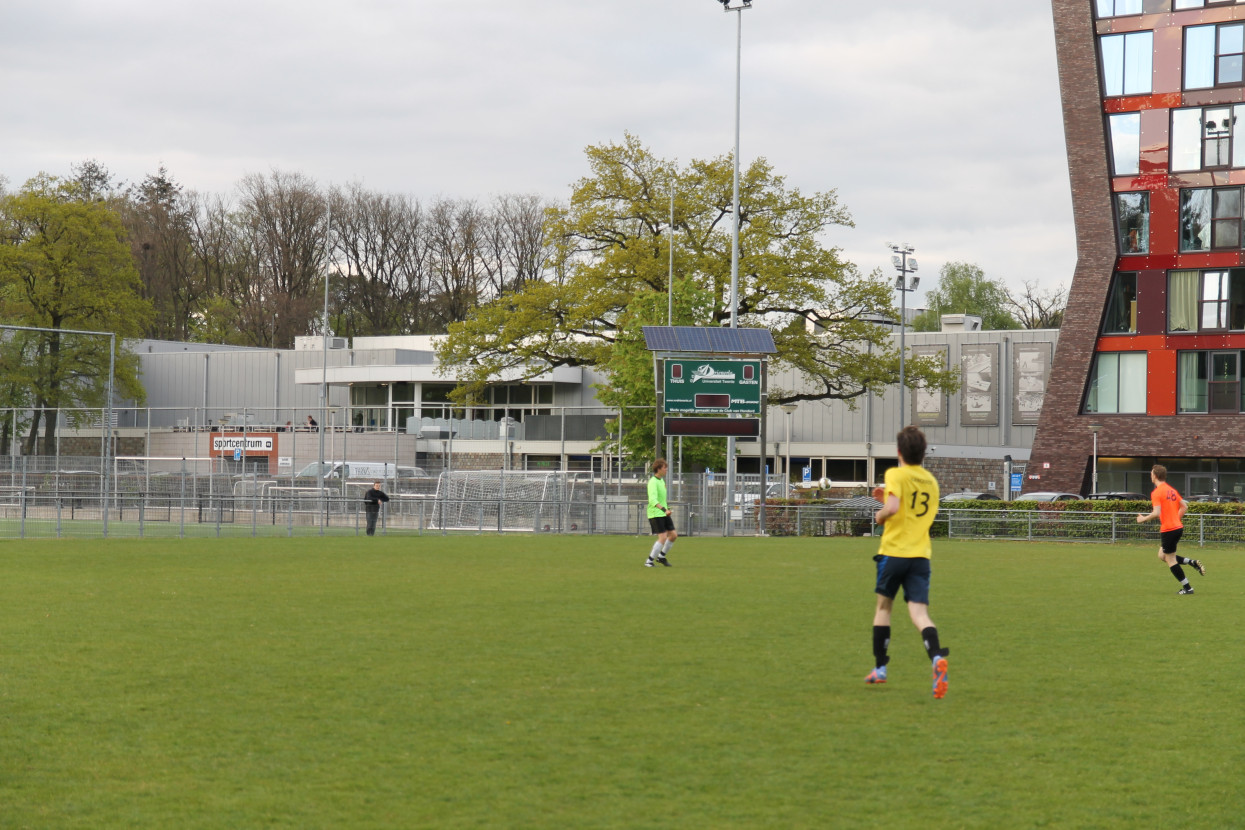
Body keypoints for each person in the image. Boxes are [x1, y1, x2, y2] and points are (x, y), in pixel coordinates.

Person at [865, 426, 950, 698]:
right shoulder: (931, 482)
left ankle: (880, 669)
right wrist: (888, 499)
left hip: (894, 552)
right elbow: (914, 510)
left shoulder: (895, 473)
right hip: (920, 555)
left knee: (883, 608)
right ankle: (937, 657)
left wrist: (879, 515)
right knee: (920, 614)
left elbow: (893, 509)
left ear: (899, 452)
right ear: (924, 453)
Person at [1136, 465, 1205, 594]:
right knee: (1162, 555)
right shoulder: (1171, 490)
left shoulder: (1156, 492)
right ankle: (1192, 562)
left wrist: (1142, 519)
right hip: (1177, 528)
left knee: (1170, 559)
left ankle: (1188, 588)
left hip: (1169, 529)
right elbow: (1184, 507)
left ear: (1155, 475)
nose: (1150, 475)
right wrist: (1175, 520)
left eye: (1151, 473)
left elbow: (1156, 513)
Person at [644, 458, 676, 567]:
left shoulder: (661, 481)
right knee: (662, 538)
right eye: (664, 468)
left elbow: (661, 499)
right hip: (655, 514)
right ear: (658, 469)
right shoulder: (652, 482)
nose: (666, 470)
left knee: (673, 535)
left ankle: (661, 557)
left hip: (663, 513)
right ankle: (649, 561)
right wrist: (664, 509)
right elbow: (652, 500)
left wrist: (667, 508)